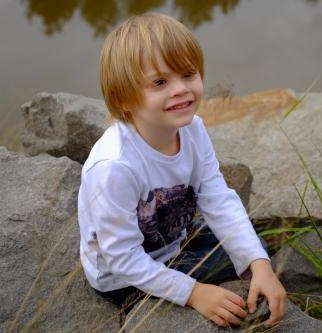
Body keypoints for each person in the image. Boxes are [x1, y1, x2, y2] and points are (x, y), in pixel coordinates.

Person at [77, 12, 287, 328]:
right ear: (123, 99)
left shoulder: (193, 130)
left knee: (258, 253)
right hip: (123, 277)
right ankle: (158, 303)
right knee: (242, 262)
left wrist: (258, 265)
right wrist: (194, 293)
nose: (181, 90)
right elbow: (122, 259)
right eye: (160, 82)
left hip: (172, 242)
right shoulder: (114, 167)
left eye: (188, 75)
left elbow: (217, 198)